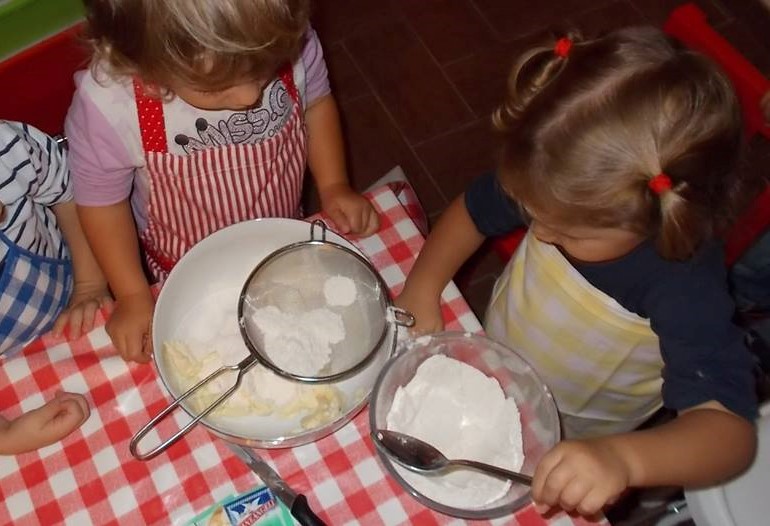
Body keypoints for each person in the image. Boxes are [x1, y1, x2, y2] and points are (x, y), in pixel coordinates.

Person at [396, 27, 760, 516]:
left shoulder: (683, 285)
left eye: (565, 231)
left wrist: (623, 459)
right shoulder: (561, 177)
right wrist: (423, 285)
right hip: (501, 357)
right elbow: (473, 210)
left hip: (577, 433)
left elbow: (730, 435)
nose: (539, 234)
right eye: (531, 212)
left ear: (653, 216)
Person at [65, 0, 380, 365]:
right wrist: (133, 294)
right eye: (216, 89)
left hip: (280, 232)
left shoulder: (278, 37)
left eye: (264, 70)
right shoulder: (112, 104)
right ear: (143, 69)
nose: (250, 97)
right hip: (181, 265)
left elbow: (316, 104)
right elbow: (101, 202)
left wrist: (333, 185)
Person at [1, 120, 110, 454]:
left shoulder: (8, 150)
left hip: (74, 295)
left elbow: (74, 189)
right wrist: (6, 438)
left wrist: (90, 283)